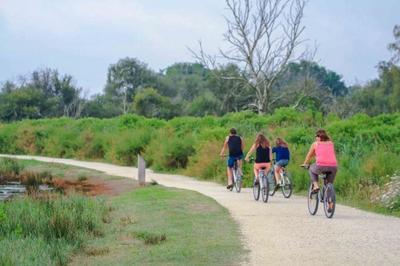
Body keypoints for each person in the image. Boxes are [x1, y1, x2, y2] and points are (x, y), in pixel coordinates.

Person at [302, 129, 337, 212]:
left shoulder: (315, 144)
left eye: (316, 136)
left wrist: (304, 163)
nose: (315, 138)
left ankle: (316, 186)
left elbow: (309, 156)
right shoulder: (331, 143)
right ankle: (330, 206)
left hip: (320, 166)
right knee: (329, 184)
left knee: (311, 169)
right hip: (333, 167)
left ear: (319, 137)